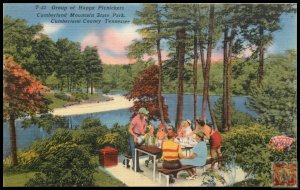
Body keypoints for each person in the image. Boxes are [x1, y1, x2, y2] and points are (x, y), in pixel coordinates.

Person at [127, 107, 149, 172]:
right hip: (133, 135)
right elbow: (129, 129)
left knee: (136, 151)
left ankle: (126, 161)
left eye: (145, 114)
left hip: (139, 136)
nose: (145, 115)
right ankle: (136, 168)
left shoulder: (144, 118)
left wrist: (143, 130)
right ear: (140, 113)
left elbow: (145, 125)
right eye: (144, 114)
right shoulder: (135, 119)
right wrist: (134, 136)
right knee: (134, 151)